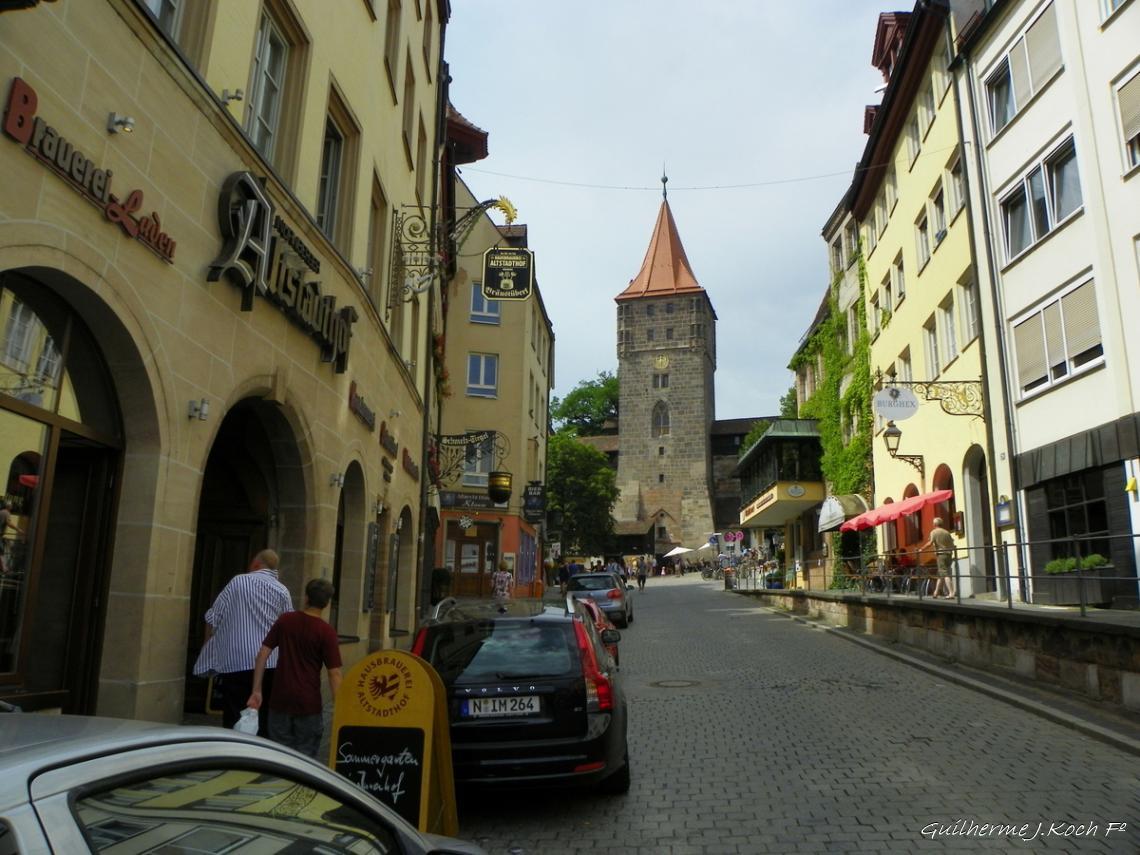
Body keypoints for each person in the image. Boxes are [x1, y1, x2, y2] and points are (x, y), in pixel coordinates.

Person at [193, 549, 292, 736]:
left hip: (236, 661)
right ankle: (260, 753)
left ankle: (236, 750)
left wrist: (207, 647)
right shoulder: (282, 590)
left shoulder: (239, 582)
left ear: (255, 564)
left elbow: (214, 617)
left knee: (234, 711)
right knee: (263, 712)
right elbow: (287, 626)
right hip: (270, 662)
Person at [248, 578, 342, 759]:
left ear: (306, 597)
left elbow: (263, 654)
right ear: (327, 603)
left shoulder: (286, 621)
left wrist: (257, 690)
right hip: (308, 702)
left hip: (280, 698)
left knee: (279, 757)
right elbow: (334, 673)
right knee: (306, 758)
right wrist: (340, 706)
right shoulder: (327, 632)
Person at [923, 517, 957, 599]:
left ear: (934, 524)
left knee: (945, 574)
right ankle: (936, 593)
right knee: (941, 574)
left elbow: (930, 543)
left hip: (941, 555)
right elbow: (952, 544)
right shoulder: (946, 532)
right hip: (949, 554)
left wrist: (921, 549)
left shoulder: (934, 532)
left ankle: (951, 593)